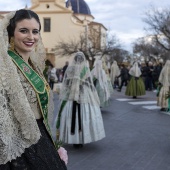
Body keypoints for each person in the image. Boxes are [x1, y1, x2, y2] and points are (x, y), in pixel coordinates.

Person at [0, 9, 67, 169]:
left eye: (35, 31)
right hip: (20, 145)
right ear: (11, 33)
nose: (31, 37)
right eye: (24, 31)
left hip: (41, 135)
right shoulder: (5, 66)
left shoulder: (34, 65)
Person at [56, 52, 105, 148]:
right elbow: (88, 82)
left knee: (70, 115)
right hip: (83, 95)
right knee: (84, 115)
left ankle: (73, 138)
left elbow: (66, 83)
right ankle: (81, 138)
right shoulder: (85, 69)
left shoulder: (70, 69)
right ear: (83, 60)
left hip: (70, 96)